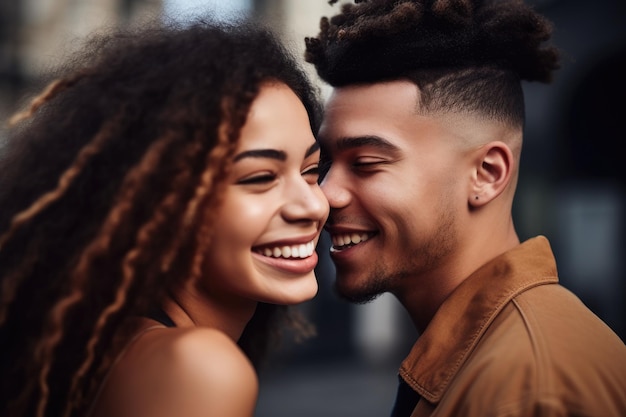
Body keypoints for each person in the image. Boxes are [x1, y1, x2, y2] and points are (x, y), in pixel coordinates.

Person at [304, 0, 626, 416]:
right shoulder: (487, 357)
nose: (325, 195)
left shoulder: (531, 387)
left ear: (487, 174)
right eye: (325, 165)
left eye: (366, 164)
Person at [0, 16, 329, 417]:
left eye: (311, 172)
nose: (312, 206)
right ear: (158, 201)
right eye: (260, 178)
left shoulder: (120, 347)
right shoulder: (196, 367)